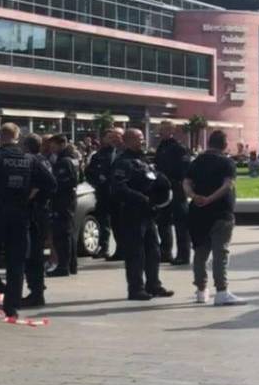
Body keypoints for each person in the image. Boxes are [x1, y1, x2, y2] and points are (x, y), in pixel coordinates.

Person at [0, 123, 54, 319]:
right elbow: (51, 183)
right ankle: (12, 306)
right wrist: (32, 197)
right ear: (18, 138)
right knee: (16, 262)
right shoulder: (30, 159)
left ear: (0, 138)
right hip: (21, 216)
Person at [109, 128, 176, 301]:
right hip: (132, 212)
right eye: (138, 138)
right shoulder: (123, 162)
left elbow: (152, 178)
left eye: (142, 138)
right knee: (135, 253)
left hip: (148, 213)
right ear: (127, 141)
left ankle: (153, 285)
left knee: (153, 251)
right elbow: (119, 188)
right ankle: (136, 289)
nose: (143, 141)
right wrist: (142, 199)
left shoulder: (143, 160)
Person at [184, 130, 242, 305]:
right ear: (224, 144)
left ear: (209, 142)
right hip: (221, 212)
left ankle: (201, 290)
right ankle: (222, 291)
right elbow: (228, 185)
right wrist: (211, 198)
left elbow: (186, 182)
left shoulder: (196, 162)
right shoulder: (227, 162)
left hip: (197, 212)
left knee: (200, 252)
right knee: (220, 252)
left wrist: (194, 196)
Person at [19, 134, 52, 307]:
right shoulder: (44, 160)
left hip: (35, 213)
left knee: (32, 255)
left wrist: (28, 198)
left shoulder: (33, 162)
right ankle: (37, 290)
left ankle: (36, 292)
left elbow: (45, 184)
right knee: (35, 254)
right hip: (42, 211)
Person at [154, 122, 193, 266]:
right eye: (161, 130)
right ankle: (166, 252)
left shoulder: (179, 148)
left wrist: (180, 183)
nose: (162, 132)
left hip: (177, 188)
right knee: (162, 222)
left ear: (172, 131)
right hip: (163, 189)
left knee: (180, 223)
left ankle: (183, 254)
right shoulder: (161, 147)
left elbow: (186, 168)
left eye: (165, 129)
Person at [45, 135, 80, 277]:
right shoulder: (65, 159)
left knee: (62, 235)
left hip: (63, 202)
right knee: (67, 234)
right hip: (65, 201)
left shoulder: (64, 161)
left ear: (61, 144)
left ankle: (63, 266)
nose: (51, 148)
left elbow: (67, 182)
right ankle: (70, 265)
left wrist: (53, 187)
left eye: (53, 145)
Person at [85, 128, 123, 260]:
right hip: (103, 193)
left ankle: (121, 249)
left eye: (114, 138)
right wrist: (97, 180)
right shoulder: (98, 155)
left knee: (119, 223)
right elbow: (89, 172)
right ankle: (103, 247)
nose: (111, 140)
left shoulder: (120, 153)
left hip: (118, 194)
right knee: (103, 222)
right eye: (109, 138)